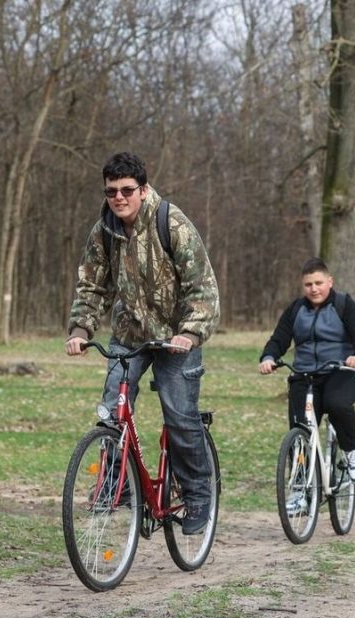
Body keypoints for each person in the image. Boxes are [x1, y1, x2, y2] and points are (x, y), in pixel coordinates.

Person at [65, 152, 220, 536]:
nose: (119, 198)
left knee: (179, 415)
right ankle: (115, 485)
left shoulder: (172, 222)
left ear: (143, 189)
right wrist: (81, 330)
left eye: (127, 190)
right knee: (110, 412)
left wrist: (189, 331)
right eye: (111, 191)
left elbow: (203, 287)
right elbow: (92, 285)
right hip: (130, 335)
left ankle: (199, 494)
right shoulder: (104, 230)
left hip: (176, 338)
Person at [259, 258, 355, 485]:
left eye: (319, 283)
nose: (314, 289)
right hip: (304, 375)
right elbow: (279, 338)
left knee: (337, 404)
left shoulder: (343, 304)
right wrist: (268, 357)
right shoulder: (296, 309)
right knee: (299, 432)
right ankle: (300, 489)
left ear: (329, 281)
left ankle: (352, 451)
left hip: (341, 371)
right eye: (308, 284)